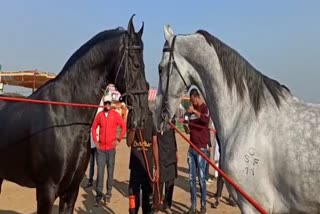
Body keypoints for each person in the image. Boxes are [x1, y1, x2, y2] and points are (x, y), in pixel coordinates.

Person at [91, 100, 126, 206]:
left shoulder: (115, 115)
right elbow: (93, 127)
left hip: (111, 149)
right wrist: (95, 141)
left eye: (108, 103)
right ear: (104, 104)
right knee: (100, 173)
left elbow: (123, 126)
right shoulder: (100, 115)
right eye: (105, 103)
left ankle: (108, 195)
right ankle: (98, 196)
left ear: (110, 104)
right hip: (101, 149)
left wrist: (119, 139)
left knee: (110, 173)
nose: (107, 105)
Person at [126, 110, 160, 214]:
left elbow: (154, 143)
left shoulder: (151, 117)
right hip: (135, 169)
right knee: (132, 208)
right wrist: (133, 128)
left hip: (148, 170)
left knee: (147, 207)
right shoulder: (132, 115)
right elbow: (128, 142)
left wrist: (157, 167)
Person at [186, 88, 210, 214]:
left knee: (201, 179)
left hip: (201, 149)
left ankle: (203, 206)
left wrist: (194, 111)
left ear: (196, 97)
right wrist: (187, 126)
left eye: (192, 100)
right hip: (192, 148)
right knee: (191, 179)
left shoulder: (205, 108)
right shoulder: (190, 111)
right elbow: (189, 124)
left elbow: (206, 120)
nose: (191, 103)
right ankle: (193, 206)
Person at [153, 115, 178, 214]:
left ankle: (167, 205)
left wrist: (176, 151)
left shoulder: (172, 121)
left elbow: (173, 136)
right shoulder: (157, 122)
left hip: (171, 153)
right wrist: (156, 160)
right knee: (159, 181)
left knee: (170, 182)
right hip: (161, 155)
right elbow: (154, 141)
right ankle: (156, 205)